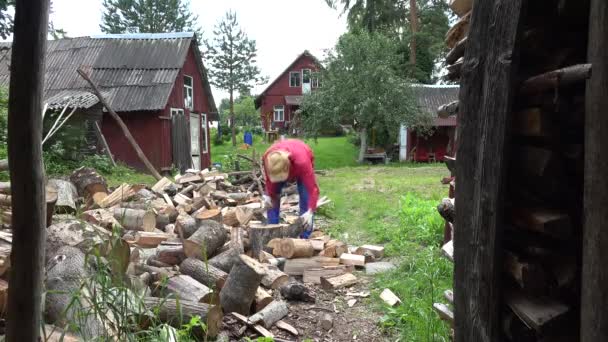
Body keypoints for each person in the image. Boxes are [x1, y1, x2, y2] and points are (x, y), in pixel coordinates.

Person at [263, 139, 319, 238]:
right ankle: (272, 235)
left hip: (301, 156)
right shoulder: (268, 158)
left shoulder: (302, 163)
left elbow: (312, 190)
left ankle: (304, 238)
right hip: (281, 165)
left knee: (306, 198)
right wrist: (268, 196)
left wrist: (310, 211)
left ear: (287, 169)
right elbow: (269, 180)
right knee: (272, 200)